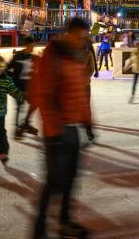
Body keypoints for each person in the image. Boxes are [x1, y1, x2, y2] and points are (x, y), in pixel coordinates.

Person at [30, 18, 94, 238]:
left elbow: (80, 93)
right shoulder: (54, 56)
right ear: (68, 33)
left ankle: (65, 220)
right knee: (54, 180)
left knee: (71, 177)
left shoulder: (76, 57)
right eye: (79, 35)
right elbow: (44, 95)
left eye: (84, 36)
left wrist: (88, 122)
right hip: (56, 131)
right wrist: (54, 129)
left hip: (72, 127)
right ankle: (39, 228)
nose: (82, 40)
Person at [7, 36, 39, 140]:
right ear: (26, 46)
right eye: (31, 45)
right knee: (20, 108)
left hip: (30, 87)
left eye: (34, 45)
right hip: (18, 87)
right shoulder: (18, 56)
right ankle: (18, 129)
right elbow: (7, 69)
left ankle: (26, 124)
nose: (33, 47)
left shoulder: (34, 57)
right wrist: (11, 82)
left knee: (34, 104)